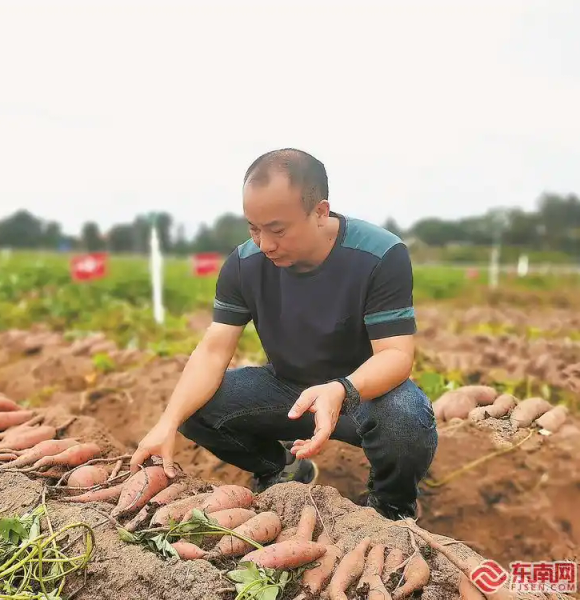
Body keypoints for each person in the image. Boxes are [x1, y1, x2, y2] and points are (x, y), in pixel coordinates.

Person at [129, 148, 438, 520]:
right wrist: (168, 423)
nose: (265, 244)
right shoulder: (244, 264)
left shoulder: (379, 254)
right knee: (194, 407)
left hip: (363, 394)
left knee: (406, 417)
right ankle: (281, 468)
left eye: (277, 230)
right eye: (254, 228)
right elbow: (213, 351)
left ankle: (391, 508)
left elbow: (396, 356)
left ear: (320, 212)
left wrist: (341, 389)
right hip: (288, 391)